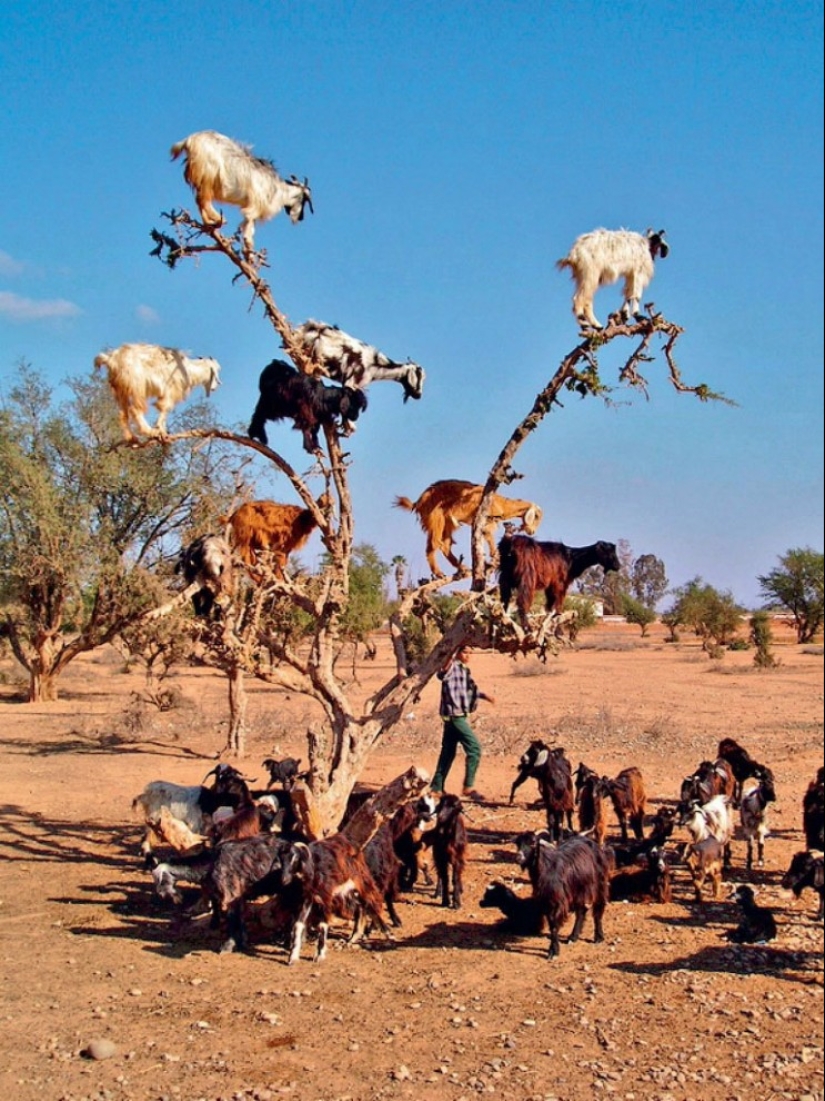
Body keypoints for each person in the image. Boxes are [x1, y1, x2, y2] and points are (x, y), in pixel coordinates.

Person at [431, 646, 495, 802]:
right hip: (455, 716)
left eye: (470, 653)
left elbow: (470, 690)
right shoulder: (451, 666)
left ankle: (436, 788)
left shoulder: (465, 671)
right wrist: (451, 648)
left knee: (448, 753)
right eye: (465, 652)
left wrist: (485, 696)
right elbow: (442, 673)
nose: (468, 656)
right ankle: (468, 787)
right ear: (457, 653)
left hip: (456, 716)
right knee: (474, 749)